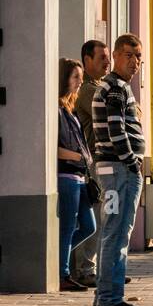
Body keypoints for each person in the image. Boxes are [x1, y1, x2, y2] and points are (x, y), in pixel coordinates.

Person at [92, 33, 146, 306]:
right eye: (129, 55)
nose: (135, 62)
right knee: (117, 233)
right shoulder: (115, 88)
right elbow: (116, 130)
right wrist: (132, 162)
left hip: (113, 170)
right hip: (119, 171)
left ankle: (103, 295)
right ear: (115, 55)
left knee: (110, 233)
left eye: (139, 57)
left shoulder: (115, 86)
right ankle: (110, 299)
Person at [70, 40, 110, 288]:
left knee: (106, 217)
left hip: (104, 161)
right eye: (102, 58)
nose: (107, 62)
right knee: (94, 217)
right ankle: (84, 269)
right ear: (87, 60)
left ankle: (98, 268)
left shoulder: (101, 87)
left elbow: (131, 112)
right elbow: (116, 111)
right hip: (94, 162)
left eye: (108, 58)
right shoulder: (87, 90)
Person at [57, 59, 97, 292]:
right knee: (68, 225)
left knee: (88, 226)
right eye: (75, 78)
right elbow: (53, 147)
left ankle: (54, 259)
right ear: (64, 79)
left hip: (81, 177)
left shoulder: (70, 111)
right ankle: (61, 272)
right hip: (67, 176)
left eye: (81, 79)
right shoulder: (57, 111)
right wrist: (75, 157)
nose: (79, 83)